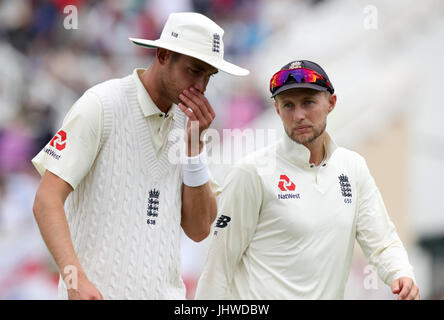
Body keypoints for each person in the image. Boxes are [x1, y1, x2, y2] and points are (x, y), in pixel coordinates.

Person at [31, 12, 249, 300]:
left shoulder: (191, 124)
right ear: (162, 55)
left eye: (208, 75)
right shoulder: (101, 105)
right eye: (194, 70)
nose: (201, 87)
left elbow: (198, 230)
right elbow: (46, 199)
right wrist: (75, 279)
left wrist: (195, 151)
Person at [195, 60, 419, 300]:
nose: (299, 115)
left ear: (331, 103)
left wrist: (401, 273)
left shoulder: (352, 167)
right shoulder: (251, 172)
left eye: (308, 103)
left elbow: (382, 242)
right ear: (277, 110)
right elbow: (218, 268)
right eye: (288, 105)